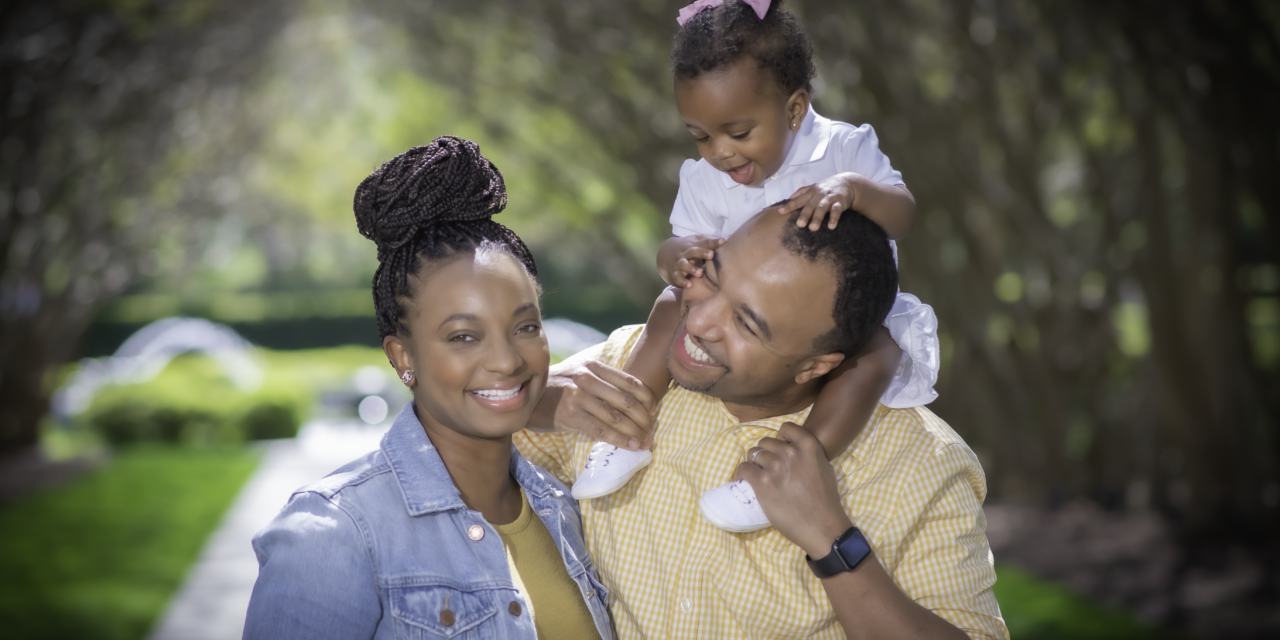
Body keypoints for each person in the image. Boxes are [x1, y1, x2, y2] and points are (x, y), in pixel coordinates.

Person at [517, 207, 1007, 639]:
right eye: (713, 275)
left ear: (817, 366)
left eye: (747, 324)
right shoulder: (631, 360)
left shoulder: (922, 465)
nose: (701, 321)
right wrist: (541, 403)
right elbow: (456, 440)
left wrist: (831, 541)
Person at [569, 0, 942, 535]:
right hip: (734, 307)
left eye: (738, 133)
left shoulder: (841, 149)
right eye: (700, 135)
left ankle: (786, 466)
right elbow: (674, 248)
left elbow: (903, 215)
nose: (719, 152)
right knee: (671, 303)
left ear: (794, 109)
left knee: (875, 355)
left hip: (840, 319)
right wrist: (676, 258)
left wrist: (853, 190)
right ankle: (625, 428)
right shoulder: (704, 178)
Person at [243, 137, 613, 640]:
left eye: (525, 327)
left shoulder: (562, 508)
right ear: (403, 358)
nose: (507, 359)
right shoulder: (336, 532)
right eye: (463, 336)